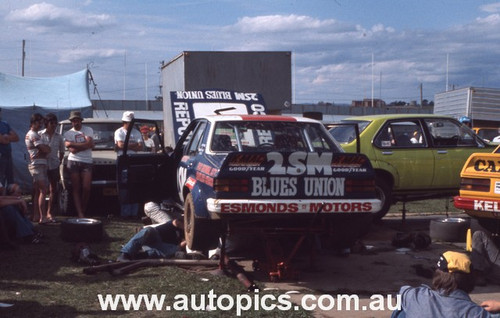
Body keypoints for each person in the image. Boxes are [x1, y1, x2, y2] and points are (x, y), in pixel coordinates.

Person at [393, 250, 492, 317]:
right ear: (471, 280)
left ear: (436, 276)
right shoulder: (475, 313)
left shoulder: (416, 296)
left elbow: (401, 294)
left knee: (402, 310)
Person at [63, 111, 94, 218]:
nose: (76, 123)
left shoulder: (88, 130)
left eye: (78, 120)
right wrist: (85, 144)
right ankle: (80, 212)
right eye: (74, 121)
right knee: (76, 188)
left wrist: (72, 143)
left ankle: (83, 209)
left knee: (86, 188)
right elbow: (72, 151)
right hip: (73, 161)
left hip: (87, 161)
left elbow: (90, 144)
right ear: (71, 122)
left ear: (81, 121)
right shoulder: (67, 133)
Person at [114, 111, 143, 218]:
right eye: (128, 122)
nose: (130, 125)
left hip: (133, 159)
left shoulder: (136, 132)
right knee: (124, 185)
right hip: (123, 159)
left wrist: (127, 145)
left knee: (134, 185)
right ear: (124, 122)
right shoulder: (119, 132)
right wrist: (134, 145)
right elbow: (120, 145)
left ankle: (134, 213)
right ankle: (125, 213)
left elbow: (140, 146)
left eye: (131, 123)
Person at [116, 218, 185, 261]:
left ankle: (138, 256)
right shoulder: (178, 224)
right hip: (155, 236)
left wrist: (187, 240)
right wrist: (186, 228)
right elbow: (176, 222)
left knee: (173, 250)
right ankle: (125, 254)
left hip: (162, 247)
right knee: (148, 230)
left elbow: (180, 246)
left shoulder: (185, 236)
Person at [25, 113, 51, 224]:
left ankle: (36, 215)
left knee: (37, 191)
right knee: (43, 190)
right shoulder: (33, 135)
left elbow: (46, 149)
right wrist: (44, 149)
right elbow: (45, 149)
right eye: (38, 122)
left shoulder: (35, 134)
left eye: (41, 122)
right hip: (37, 165)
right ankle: (43, 217)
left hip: (39, 164)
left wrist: (44, 149)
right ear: (32, 123)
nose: (40, 124)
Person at [40, 113, 65, 221]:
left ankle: (49, 212)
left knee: (53, 189)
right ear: (47, 123)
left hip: (54, 165)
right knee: (40, 189)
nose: (54, 125)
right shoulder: (40, 134)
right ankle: (39, 213)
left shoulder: (59, 136)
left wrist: (58, 161)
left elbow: (62, 151)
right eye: (52, 123)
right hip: (42, 164)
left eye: (55, 123)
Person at [0, 107, 20, 186]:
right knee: (1, 179)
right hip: (1, 155)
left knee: (9, 179)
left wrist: (6, 137)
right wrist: (8, 138)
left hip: (8, 155)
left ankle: (8, 196)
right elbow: (3, 140)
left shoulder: (5, 124)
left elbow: (16, 138)